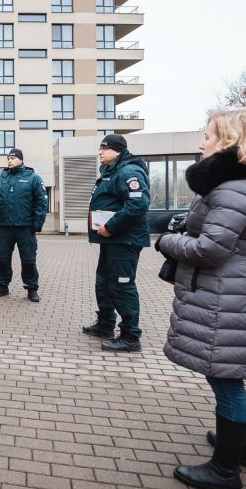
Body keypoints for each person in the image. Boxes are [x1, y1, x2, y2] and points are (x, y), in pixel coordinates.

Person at [156, 107, 246, 489]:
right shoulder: (243, 182)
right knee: (224, 373)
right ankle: (236, 444)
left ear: (230, 140)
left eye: (209, 135)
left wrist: (166, 241)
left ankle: (225, 469)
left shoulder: (234, 188)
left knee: (225, 377)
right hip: (227, 290)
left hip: (223, 292)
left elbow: (210, 248)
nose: (202, 142)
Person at [81, 134, 151, 352]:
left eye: (104, 148)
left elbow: (138, 205)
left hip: (124, 240)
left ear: (117, 150)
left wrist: (110, 227)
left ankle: (130, 337)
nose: (100, 152)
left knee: (122, 285)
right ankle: (105, 325)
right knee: (104, 282)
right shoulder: (111, 172)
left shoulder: (129, 172)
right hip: (112, 241)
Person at [0, 148, 48, 302]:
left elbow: (41, 202)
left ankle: (31, 289)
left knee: (28, 260)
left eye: (13, 158)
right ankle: (3, 286)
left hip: (25, 228)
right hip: (6, 228)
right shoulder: (0, 180)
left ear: (21, 159)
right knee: (3, 258)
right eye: (8, 158)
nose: (9, 160)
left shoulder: (33, 178)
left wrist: (38, 223)